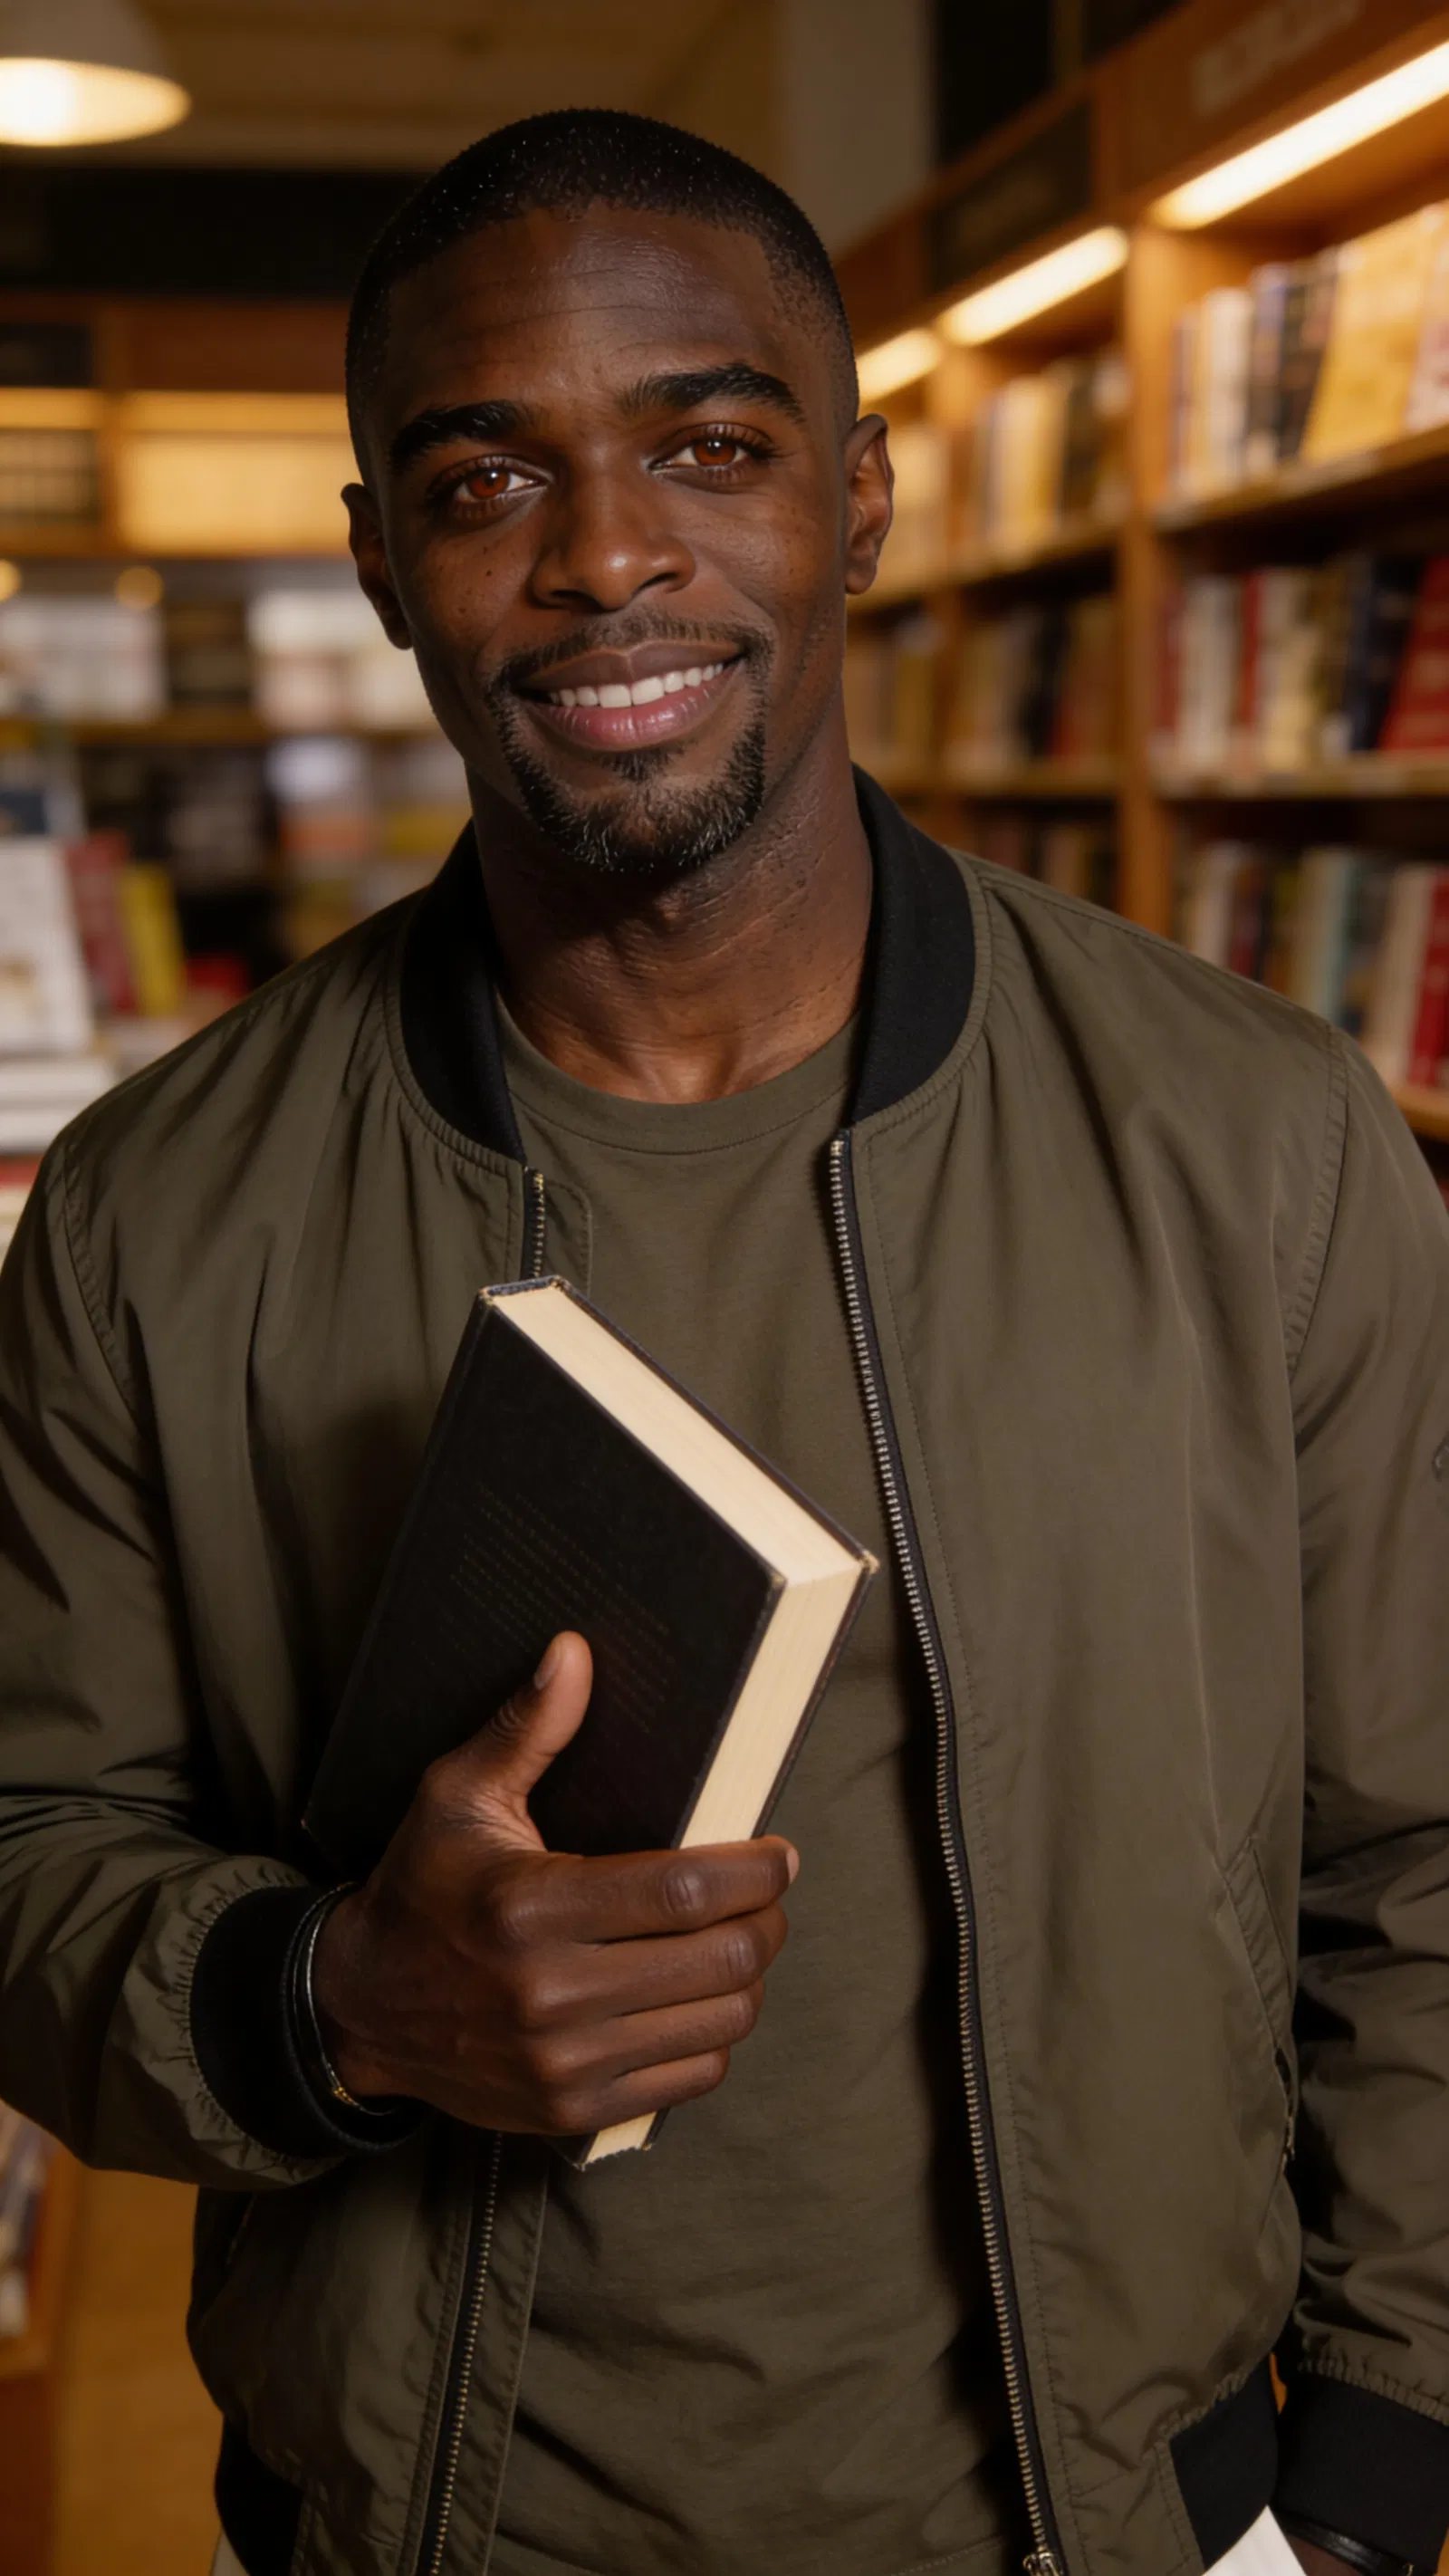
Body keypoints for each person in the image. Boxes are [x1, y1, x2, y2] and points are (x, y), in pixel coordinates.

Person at [0, 107, 1445, 2576]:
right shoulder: (162, 1214)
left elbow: (1419, 1844)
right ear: (378, 562)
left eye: (711, 441)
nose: (606, 557)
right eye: (484, 479)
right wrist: (334, 1996)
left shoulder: (1262, 1146)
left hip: (1137, 2521)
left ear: (862, 497)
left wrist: (1378, 2470)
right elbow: (33, 1856)